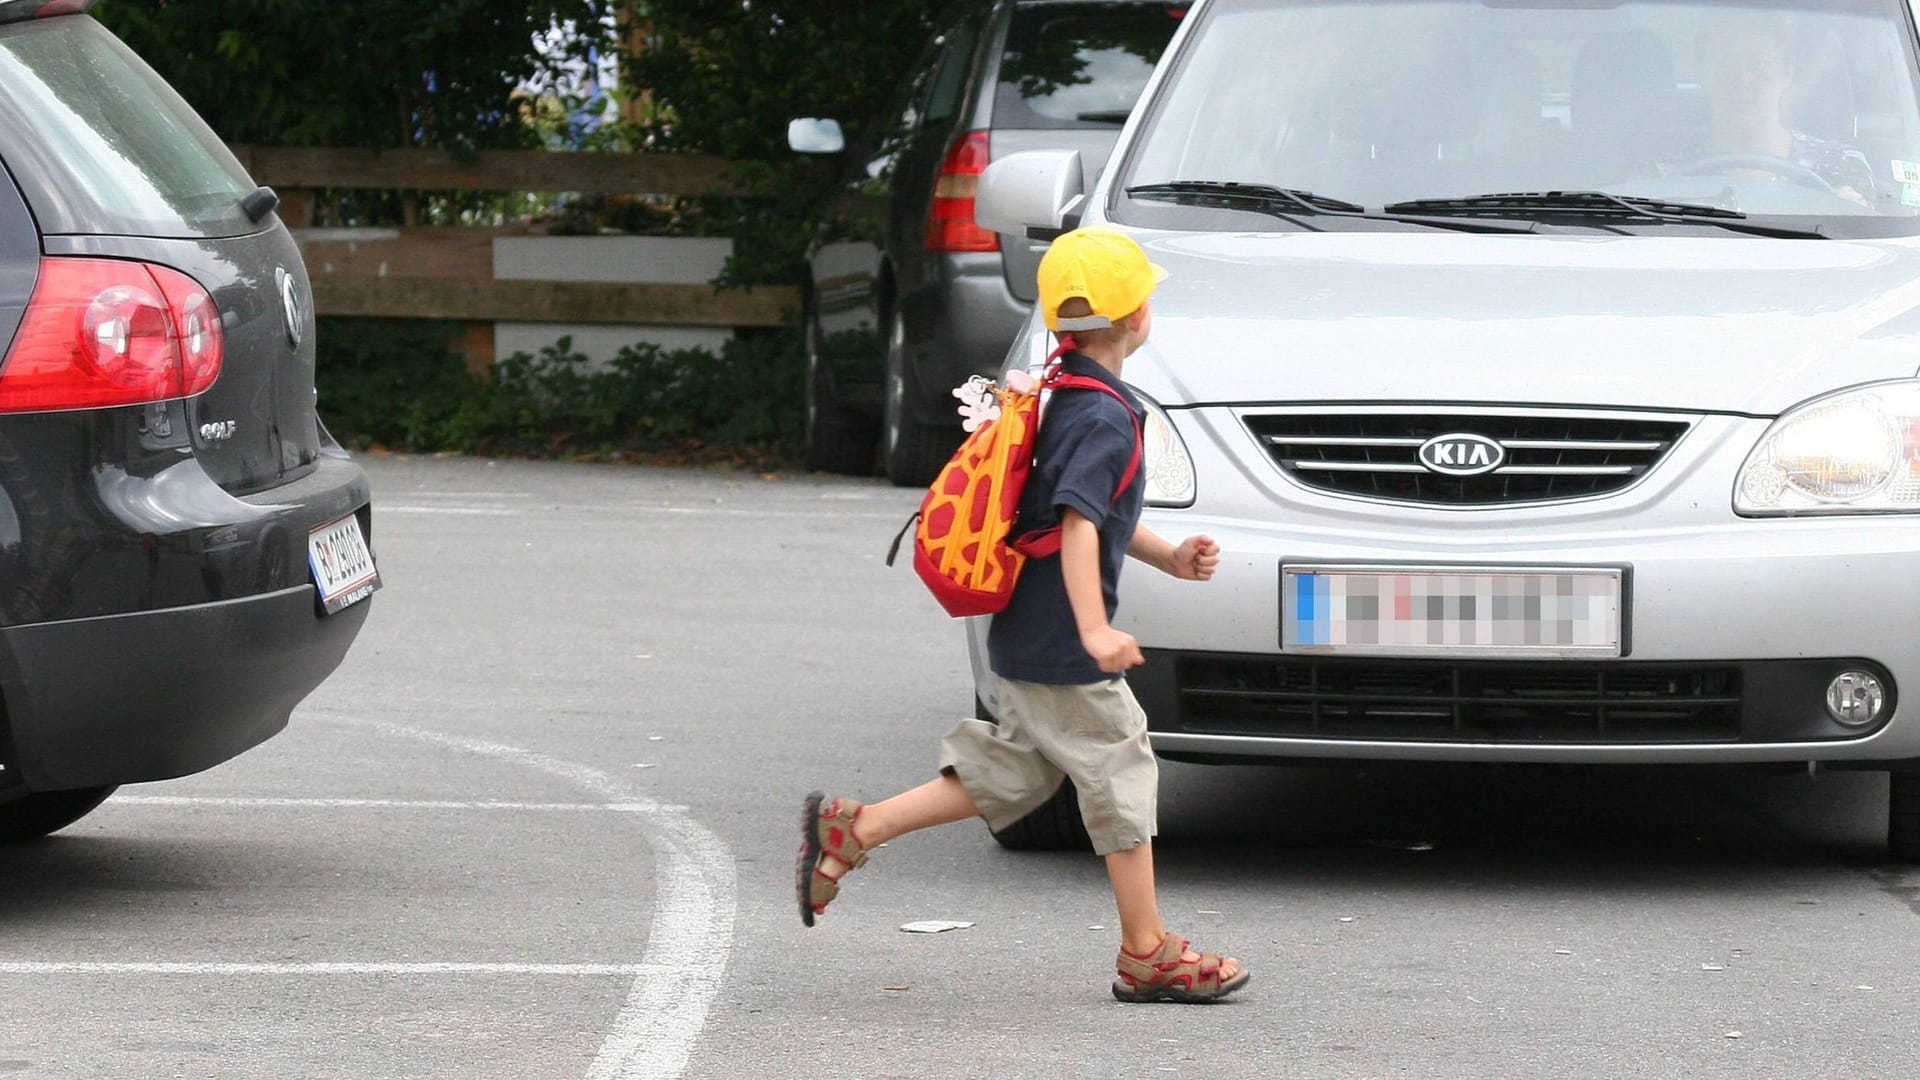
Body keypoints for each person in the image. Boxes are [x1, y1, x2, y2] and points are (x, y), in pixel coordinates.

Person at [797, 224, 1249, 1004]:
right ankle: (1147, 951)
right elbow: (1078, 526)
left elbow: (1094, 514)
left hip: (1026, 630)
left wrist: (1169, 556)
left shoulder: (1058, 391)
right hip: (1061, 641)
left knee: (1016, 769)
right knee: (1123, 768)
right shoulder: (1105, 415)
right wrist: (1095, 629)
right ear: (1138, 316)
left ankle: (855, 829)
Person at [1688, 20, 1877, 203]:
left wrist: (1846, 209)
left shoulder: (1842, 169)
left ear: (1788, 71)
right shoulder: (1662, 167)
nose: (1742, 81)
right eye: (1725, 64)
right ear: (1701, 70)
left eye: (1759, 65)